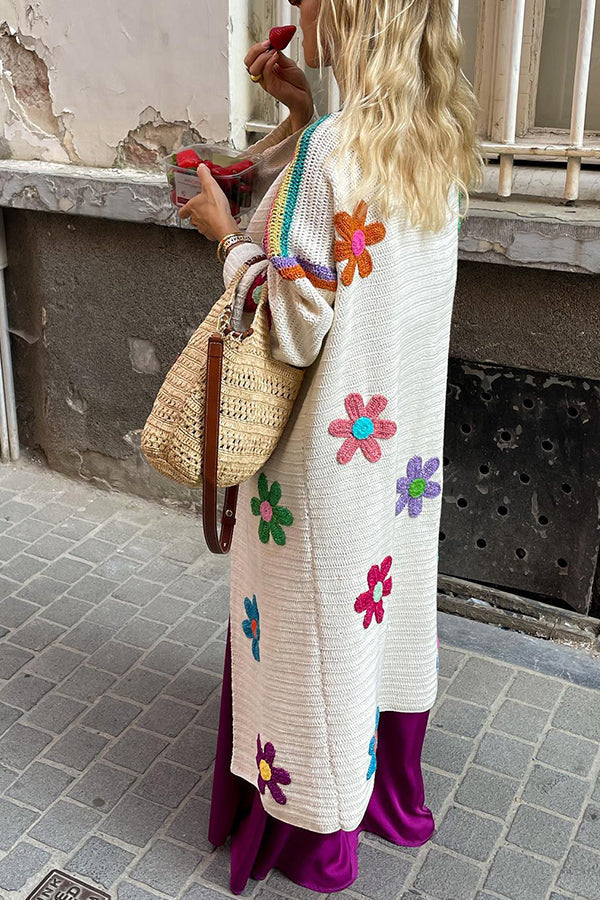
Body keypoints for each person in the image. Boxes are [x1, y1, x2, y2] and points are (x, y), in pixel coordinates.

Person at [179, 0, 483, 893]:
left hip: (320, 463)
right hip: (399, 462)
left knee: (312, 621)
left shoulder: (331, 156)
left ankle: (310, 821)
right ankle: (385, 790)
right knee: (377, 613)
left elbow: (295, 320)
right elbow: (359, 250)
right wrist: (302, 111)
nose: (295, 7)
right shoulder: (440, 142)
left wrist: (224, 237)